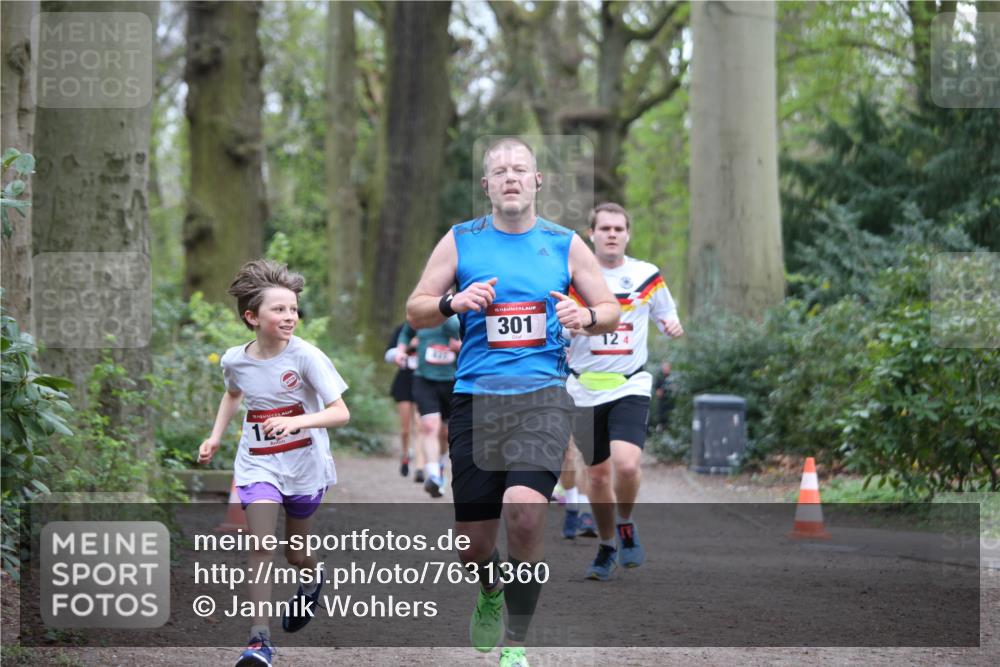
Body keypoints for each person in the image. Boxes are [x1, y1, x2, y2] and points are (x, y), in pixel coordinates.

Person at [406, 137, 619, 667]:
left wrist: (585, 317)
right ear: (487, 186)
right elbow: (415, 310)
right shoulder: (460, 241)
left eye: (519, 169)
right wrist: (452, 301)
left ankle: (516, 643)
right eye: (499, 171)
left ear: (537, 180)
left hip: (543, 398)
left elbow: (611, 307)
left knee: (524, 512)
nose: (510, 177)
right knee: (472, 548)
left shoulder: (566, 243)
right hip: (476, 400)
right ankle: (490, 589)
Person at [198, 259, 351, 667]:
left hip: (305, 468)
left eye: (293, 309)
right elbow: (233, 395)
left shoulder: (307, 357)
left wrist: (296, 420)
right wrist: (215, 436)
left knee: (295, 555)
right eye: (279, 309)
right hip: (258, 465)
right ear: (252, 317)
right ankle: (258, 640)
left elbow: (340, 413)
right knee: (261, 545)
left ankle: (312, 574)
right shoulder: (235, 360)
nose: (290, 317)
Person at [566, 202, 683, 581]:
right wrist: (570, 328)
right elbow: (557, 324)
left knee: (627, 463)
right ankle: (605, 545)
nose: (612, 234)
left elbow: (667, 313)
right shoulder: (575, 278)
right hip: (583, 388)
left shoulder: (645, 275)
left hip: (630, 383)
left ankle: (626, 522)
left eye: (619, 228)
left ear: (627, 234)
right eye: (605, 228)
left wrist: (670, 325)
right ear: (592, 234)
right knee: (597, 477)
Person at [396, 317, 461, 498]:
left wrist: (460, 346)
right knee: (429, 425)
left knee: (446, 433)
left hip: (452, 380)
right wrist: (401, 351)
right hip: (423, 378)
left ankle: (440, 465)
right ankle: (433, 476)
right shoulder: (421, 314)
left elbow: (476, 343)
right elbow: (406, 333)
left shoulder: (459, 316)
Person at [384, 324, 422, 479]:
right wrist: (408, 347)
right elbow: (388, 355)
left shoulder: (434, 326)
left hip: (425, 381)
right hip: (405, 381)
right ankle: (405, 455)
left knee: (420, 426)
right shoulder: (402, 329)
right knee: (406, 429)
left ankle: (420, 467)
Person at [651, 360, 676, 433]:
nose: (665, 368)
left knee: (670, 419)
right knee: (661, 420)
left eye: (667, 366)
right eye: (664, 366)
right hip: (662, 403)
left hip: (671, 403)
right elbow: (658, 392)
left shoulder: (673, 377)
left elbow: (675, 389)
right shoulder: (660, 377)